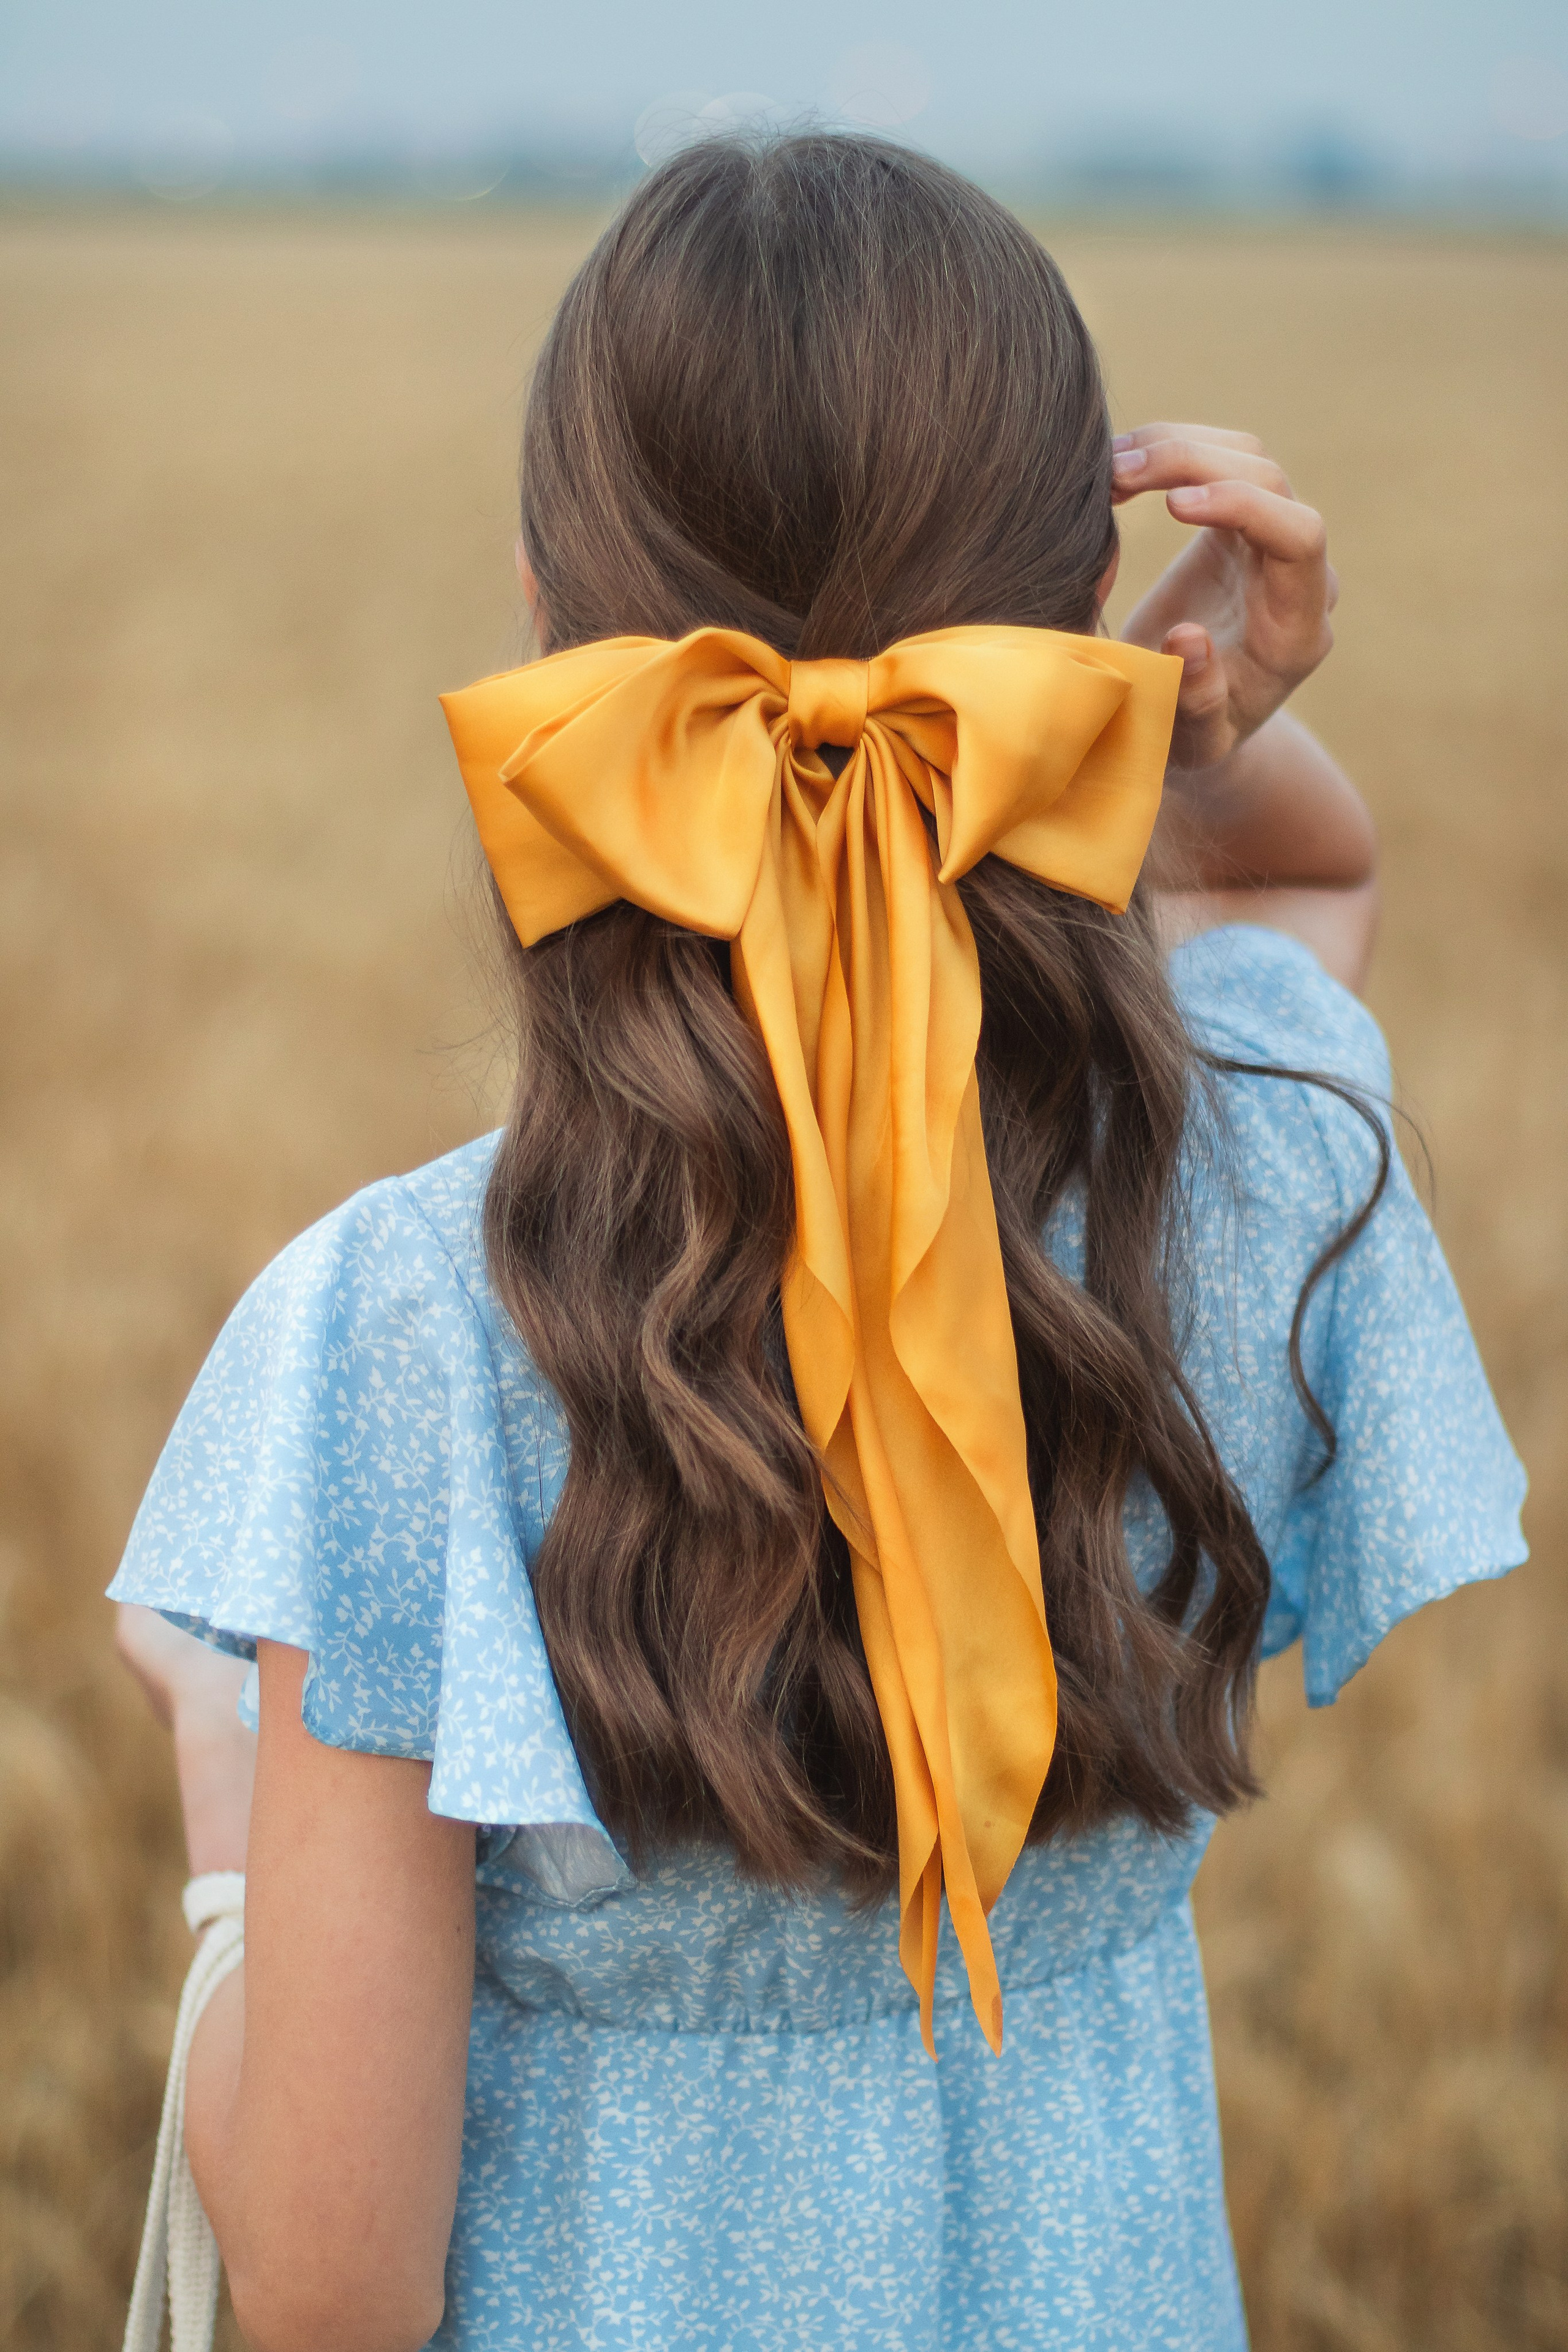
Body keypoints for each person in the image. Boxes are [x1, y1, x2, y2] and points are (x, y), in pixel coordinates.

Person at [111, 134, 1525, 2352]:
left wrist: (224, 1865)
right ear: (1063, 659)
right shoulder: (1253, 1162)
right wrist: (1179, 724)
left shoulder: (396, 1334)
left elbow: (327, 2301)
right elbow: (1290, 902)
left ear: (557, 633)